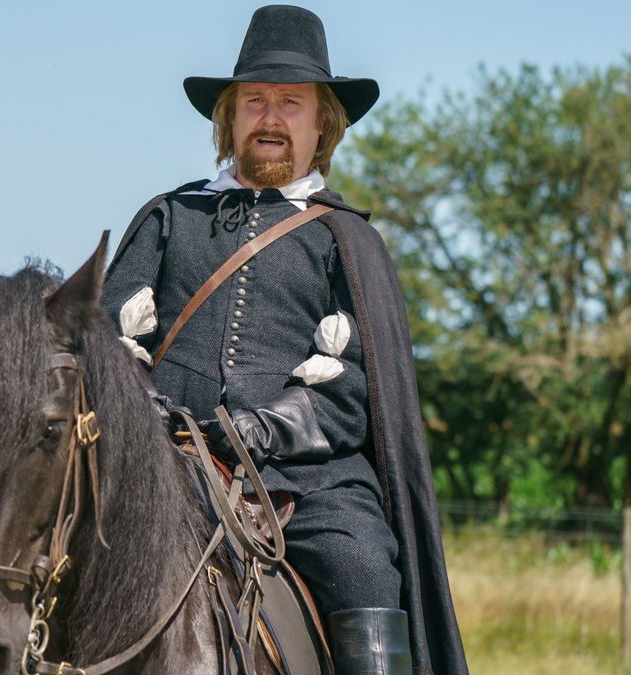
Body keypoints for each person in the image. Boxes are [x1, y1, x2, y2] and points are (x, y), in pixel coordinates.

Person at [102, 6, 467, 674]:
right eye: (255, 101)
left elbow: (349, 392)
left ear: (322, 121)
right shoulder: (167, 217)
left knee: (362, 567)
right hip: (163, 467)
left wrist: (252, 431)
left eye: (290, 103)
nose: (270, 118)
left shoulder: (345, 240)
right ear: (230, 117)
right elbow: (108, 346)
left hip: (308, 482)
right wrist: (149, 417)